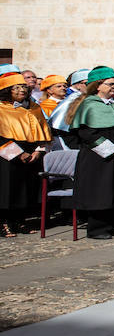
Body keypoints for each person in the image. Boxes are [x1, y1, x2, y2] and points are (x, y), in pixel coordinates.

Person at [68, 66, 114, 239]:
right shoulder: (89, 105)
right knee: (100, 192)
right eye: (111, 84)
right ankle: (98, 228)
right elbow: (87, 134)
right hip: (98, 158)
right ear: (98, 85)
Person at [0, 71, 51, 236]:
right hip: (7, 154)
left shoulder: (34, 107)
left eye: (23, 86)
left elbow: (43, 130)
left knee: (26, 189)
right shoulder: (1, 108)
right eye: (17, 87)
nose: (22, 90)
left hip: (32, 152)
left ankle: (20, 221)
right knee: (8, 189)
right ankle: (4, 223)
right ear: (7, 90)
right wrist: (18, 153)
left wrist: (38, 150)